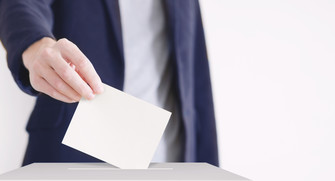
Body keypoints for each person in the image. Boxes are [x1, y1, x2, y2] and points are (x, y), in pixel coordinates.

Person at [0, 0, 219, 167]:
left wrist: (209, 170)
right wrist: (36, 44)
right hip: (74, 156)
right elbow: (21, 5)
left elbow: (195, 70)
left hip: (169, 160)